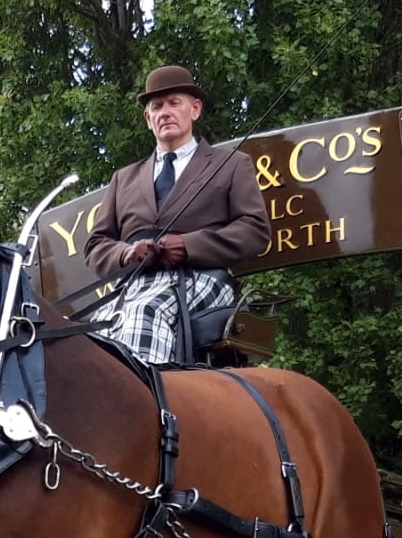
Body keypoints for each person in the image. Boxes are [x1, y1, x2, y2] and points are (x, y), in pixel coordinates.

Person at [84, 64, 269, 365]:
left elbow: (254, 230)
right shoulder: (124, 178)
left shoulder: (232, 164)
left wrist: (188, 246)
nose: (165, 112)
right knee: (91, 333)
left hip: (201, 278)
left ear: (195, 109)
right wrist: (127, 253)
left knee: (145, 314)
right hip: (135, 284)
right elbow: (96, 244)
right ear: (148, 119)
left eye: (174, 103)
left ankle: (147, 410)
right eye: (156, 106)